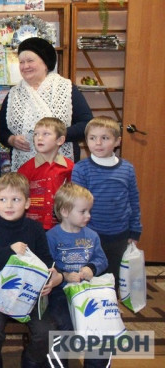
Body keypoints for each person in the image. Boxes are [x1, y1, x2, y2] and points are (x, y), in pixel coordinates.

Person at [0, 173, 61, 368]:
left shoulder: (35, 229)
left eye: (15, 199)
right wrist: (9, 251)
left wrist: (52, 278)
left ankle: (31, 362)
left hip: (28, 294)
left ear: (27, 203)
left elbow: (47, 262)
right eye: (3, 200)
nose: (8, 205)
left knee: (45, 331)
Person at [0, 37, 93, 171]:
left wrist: (56, 136)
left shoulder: (66, 89)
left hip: (61, 166)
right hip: (24, 167)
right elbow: (1, 130)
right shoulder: (14, 94)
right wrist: (11, 140)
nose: (25, 66)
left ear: (45, 63)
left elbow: (87, 124)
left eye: (30, 61)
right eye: (21, 62)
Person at [72, 116, 142, 291]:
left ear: (117, 141)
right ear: (86, 141)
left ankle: (112, 303)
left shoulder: (127, 168)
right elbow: (76, 204)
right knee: (90, 276)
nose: (98, 143)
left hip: (120, 233)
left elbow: (133, 199)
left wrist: (135, 229)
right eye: (92, 138)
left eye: (105, 138)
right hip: (89, 233)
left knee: (114, 276)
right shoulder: (81, 168)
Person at [46, 183, 109, 368]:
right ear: (65, 211)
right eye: (83, 211)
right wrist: (64, 275)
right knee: (63, 325)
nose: (88, 216)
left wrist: (91, 268)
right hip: (60, 292)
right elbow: (47, 265)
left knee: (100, 325)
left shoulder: (92, 236)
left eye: (89, 211)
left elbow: (102, 259)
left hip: (87, 291)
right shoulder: (51, 236)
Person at [18, 117, 74, 230]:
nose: (39, 138)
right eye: (36, 134)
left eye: (46, 134)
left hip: (61, 225)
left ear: (60, 140)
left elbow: (74, 197)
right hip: (32, 226)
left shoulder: (70, 167)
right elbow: (19, 197)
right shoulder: (25, 169)